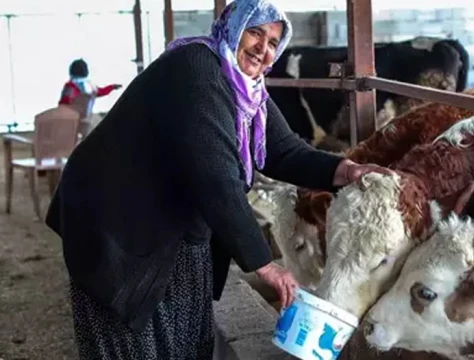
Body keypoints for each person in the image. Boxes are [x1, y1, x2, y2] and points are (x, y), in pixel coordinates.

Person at [44, 0, 392, 358]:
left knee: (186, 337)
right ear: (232, 27)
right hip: (118, 223)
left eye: (274, 42)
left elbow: (284, 150)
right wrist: (264, 264)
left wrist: (344, 170)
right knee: (128, 335)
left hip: (171, 224)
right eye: (255, 32)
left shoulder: (246, 90)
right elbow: (216, 178)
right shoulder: (198, 68)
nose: (263, 48)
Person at [58, 58, 123, 116]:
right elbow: (101, 91)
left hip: (71, 117)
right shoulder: (89, 85)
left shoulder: (71, 84)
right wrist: (112, 87)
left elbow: (65, 100)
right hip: (86, 118)